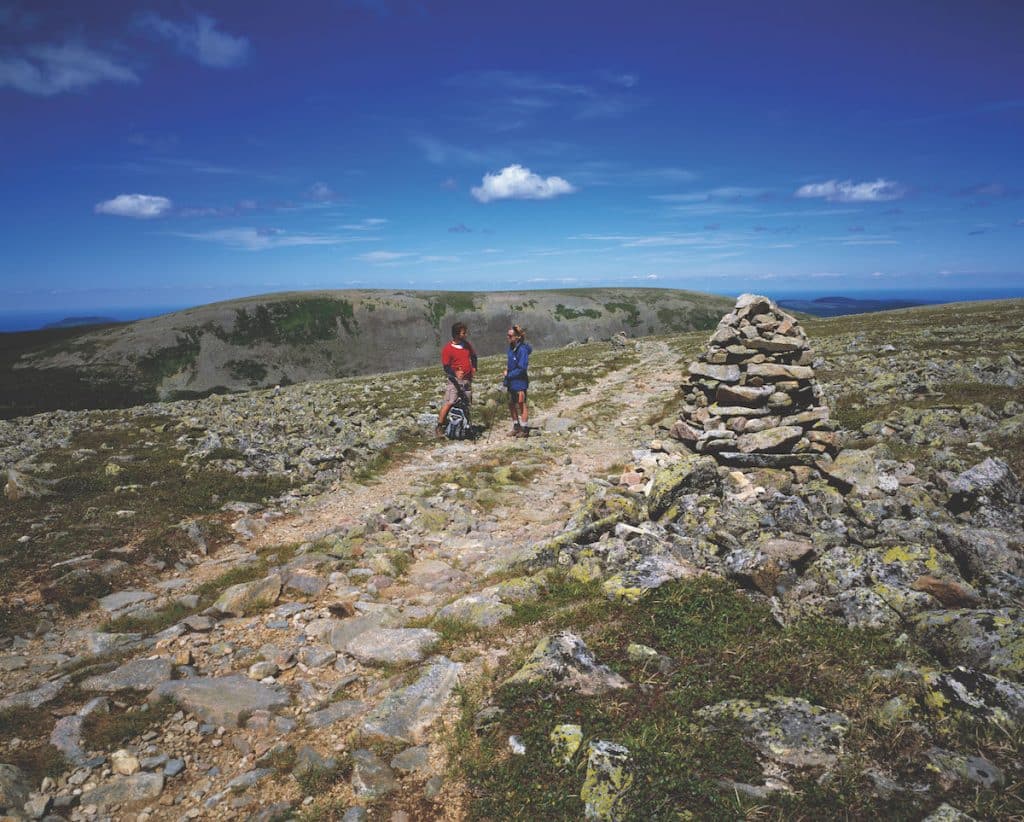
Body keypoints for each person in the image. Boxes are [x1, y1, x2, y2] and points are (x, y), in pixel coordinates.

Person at [437, 321, 477, 436]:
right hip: (454, 381)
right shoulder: (448, 349)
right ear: (457, 334)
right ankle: (440, 425)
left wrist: (474, 367)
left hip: (467, 380)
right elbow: (446, 366)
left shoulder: (467, 345)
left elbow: (474, 356)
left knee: (466, 402)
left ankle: (467, 426)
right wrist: (455, 373)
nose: (466, 335)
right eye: (464, 333)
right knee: (450, 402)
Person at [503, 324, 531, 437]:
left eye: (510, 336)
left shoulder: (522, 350)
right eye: (508, 335)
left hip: (520, 382)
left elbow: (522, 368)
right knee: (511, 403)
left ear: (517, 337)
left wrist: (509, 374)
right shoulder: (511, 347)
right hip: (511, 381)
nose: (508, 338)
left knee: (521, 403)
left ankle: (524, 428)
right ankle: (516, 426)